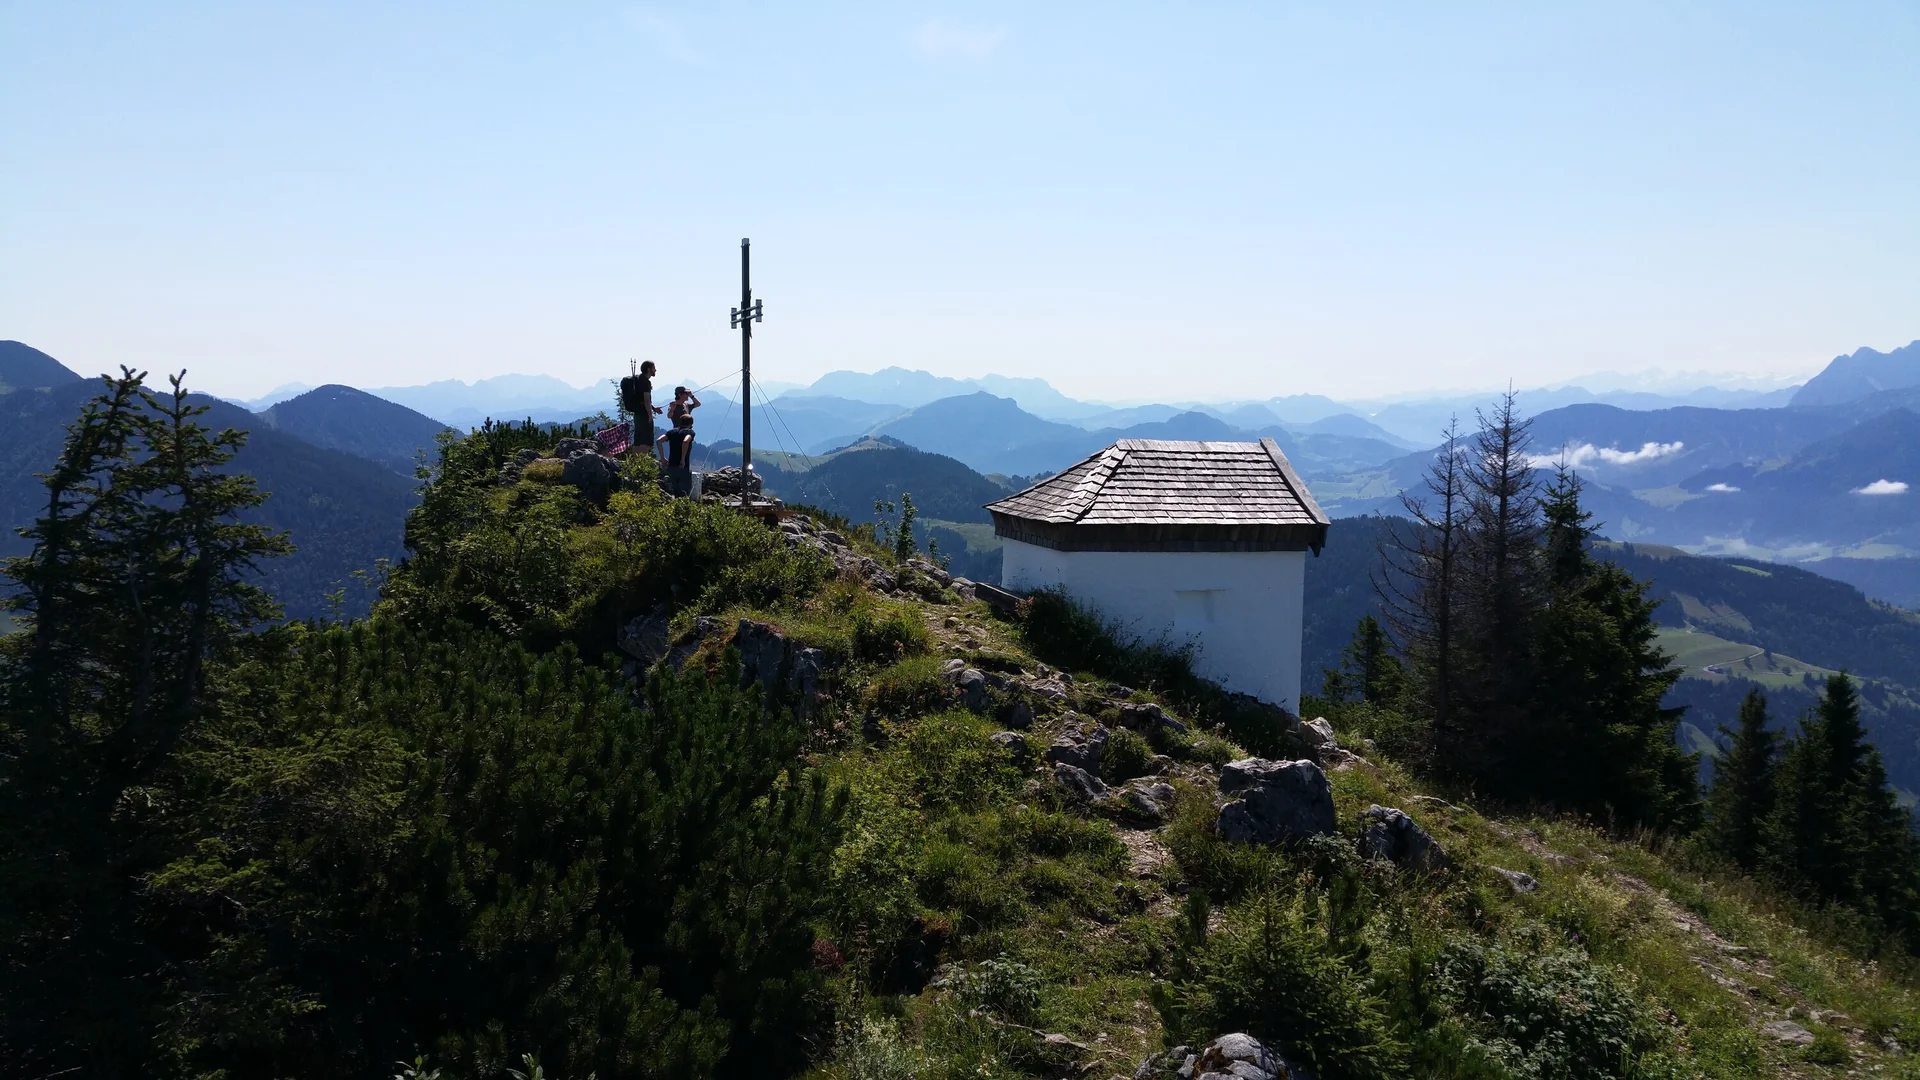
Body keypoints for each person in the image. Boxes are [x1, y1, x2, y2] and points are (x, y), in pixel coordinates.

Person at [657, 386, 700, 497]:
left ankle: (676, 487)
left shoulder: (686, 405)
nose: (687, 394)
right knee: (682, 458)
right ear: (680, 394)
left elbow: (698, 404)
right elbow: (669, 415)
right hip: (679, 433)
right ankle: (682, 489)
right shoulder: (674, 405)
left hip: (675, 433)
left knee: (678, 456)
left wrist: (692, 395)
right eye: (686, 393)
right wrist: (672, 408)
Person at [619, 361, 662, 455]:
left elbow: (640, 398)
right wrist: (650, 415)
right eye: (654, 368)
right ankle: (642, 462)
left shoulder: (637, 379)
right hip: (644, 414)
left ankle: (635, 461)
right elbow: (646, 400)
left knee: (638, 439)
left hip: (637, 412)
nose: (655, 370)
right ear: (649, 369)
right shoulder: (645, 382)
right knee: (646, 440)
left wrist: (654, 408)